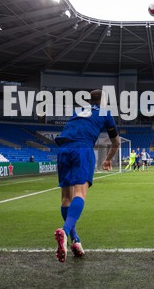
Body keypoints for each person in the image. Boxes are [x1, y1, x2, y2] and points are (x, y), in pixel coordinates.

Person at [53, 89, 119, 263]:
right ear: (103, 100)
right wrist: (107, 160)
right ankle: (65, 232)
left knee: (66, 199)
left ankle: (75, 241)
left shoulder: (78, 111)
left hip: (63, 149)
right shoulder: (105, 112)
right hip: (82, 149)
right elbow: (116, 142)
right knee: (80, 194)